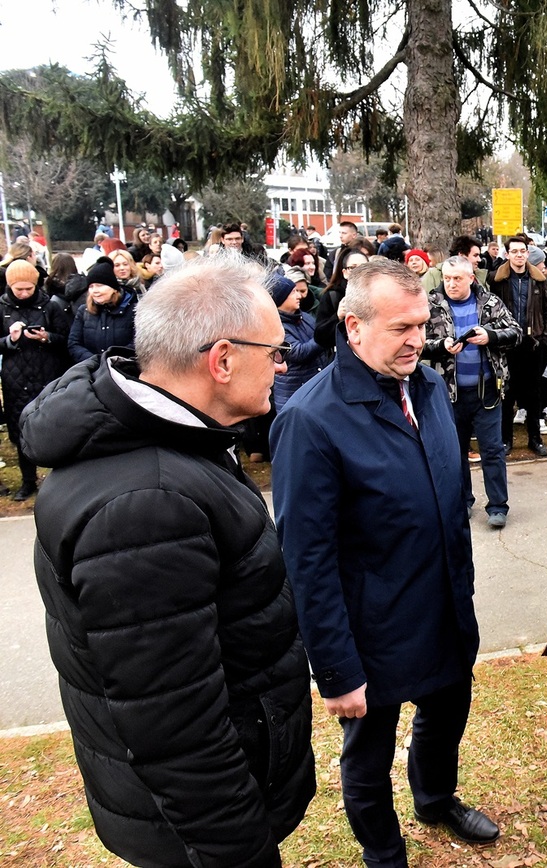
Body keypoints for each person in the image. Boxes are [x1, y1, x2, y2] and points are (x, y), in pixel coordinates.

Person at [20, 253, 316, 865]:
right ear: (224, 360)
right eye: (275, 353)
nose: (282, 366)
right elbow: (176, 728)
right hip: (195, 832)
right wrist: (240, 852)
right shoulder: (149, 506)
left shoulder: (172, 441)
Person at [271, 258, 500, 866]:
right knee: (368, 753)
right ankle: (383, 850)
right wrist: (337, 668)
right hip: (370, 628)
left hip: (443, 606)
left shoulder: (426, 385)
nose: (417, 340)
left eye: (423, 325)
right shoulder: (310, 420)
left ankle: (435, 798)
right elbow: (306, 558)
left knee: (447, 712)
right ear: (352, 327)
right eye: (401, 328)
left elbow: (446, 497)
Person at [424, 254, 520, 527]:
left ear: (470, 278)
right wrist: (440, 346)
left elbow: (515, 333)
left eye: (457, 279)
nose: (451, 284)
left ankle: (498, 506)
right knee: (455, 451)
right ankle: (462, 500)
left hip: (487, 391)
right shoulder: (431, 304)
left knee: (492, 450)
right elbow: (418, 343)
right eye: (447, 278)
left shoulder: (490, 303)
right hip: (448, 392)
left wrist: (490, 337)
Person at [2, 260, 70, 500]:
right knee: (20, 428)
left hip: (46, 373)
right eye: (18, 289)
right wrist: (11, 340)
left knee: (53, 426)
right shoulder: (2, 308)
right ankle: (28, 480)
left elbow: (65, 337)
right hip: (15, 377)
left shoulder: (49, 306)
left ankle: (60, 479)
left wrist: (46, 337)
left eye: (28, 288)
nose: (23, 293)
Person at [488, 234, 547, 456]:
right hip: (507, 344)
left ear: (528, 253)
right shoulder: (498, 280)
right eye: (514, 251)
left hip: (532, 343)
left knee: (534, 394)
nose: (519, 255)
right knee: (507, 393)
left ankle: (534, 439)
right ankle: (506, 439)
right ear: (507, 254)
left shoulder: (539, 280)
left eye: (522, 251)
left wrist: (544, 338)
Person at [272, 271, 329, 410]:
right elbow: (297, 352)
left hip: (313, 389)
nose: (299, 296)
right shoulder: (276, 325)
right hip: (293, 394)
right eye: (293, 292)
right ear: (280, 299)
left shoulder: (304, 317)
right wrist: (325, 337)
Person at [68, 257, 138, 362]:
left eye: (100, 285)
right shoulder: (84, 311)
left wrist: (112, 361)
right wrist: (95, 361)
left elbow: (137, 343)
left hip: (123, 369)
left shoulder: (133, 310)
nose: (95, 291)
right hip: (92, 369)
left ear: (114, 288)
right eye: (91, 286)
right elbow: (74, 343)